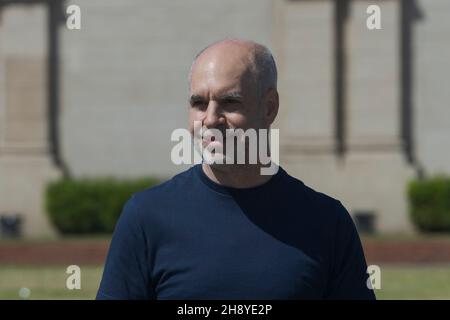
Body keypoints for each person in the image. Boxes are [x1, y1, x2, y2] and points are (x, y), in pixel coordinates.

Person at [96, 39, 376, 300]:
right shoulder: (146, 217)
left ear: (269, 108)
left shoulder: (327, 222)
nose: (210, 119)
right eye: (199, 103)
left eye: (230, 102)